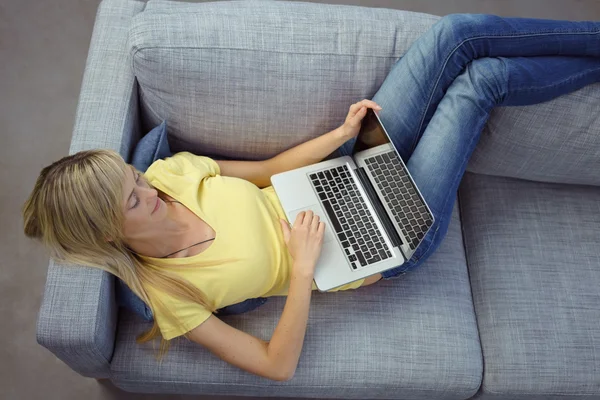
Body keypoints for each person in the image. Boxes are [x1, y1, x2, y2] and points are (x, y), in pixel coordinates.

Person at [22, 14, 600, 381]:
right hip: (388, 237)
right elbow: (276, 365)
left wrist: (339, 137)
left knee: (456, 35)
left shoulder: (172, 173)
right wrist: (300, 272)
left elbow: (270, 170)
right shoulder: (169, 294)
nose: (148, 186)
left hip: (345, 173)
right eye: (133, 200)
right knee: (480, 83)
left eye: (134, 175)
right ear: (105, 235)